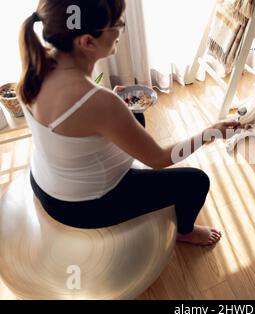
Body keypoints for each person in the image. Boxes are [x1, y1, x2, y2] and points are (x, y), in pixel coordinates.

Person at [17, 0, 240, 246]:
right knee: (196, 181)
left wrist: (111, 104)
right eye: (118, 24)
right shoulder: (100, 103)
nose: (122, 28)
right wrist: (212, 132)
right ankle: (184, 231)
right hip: (81, 207)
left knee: (135, 115)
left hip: (44, 182)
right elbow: (159, 159)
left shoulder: (38, 65)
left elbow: (75, 114)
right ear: (88, 42)